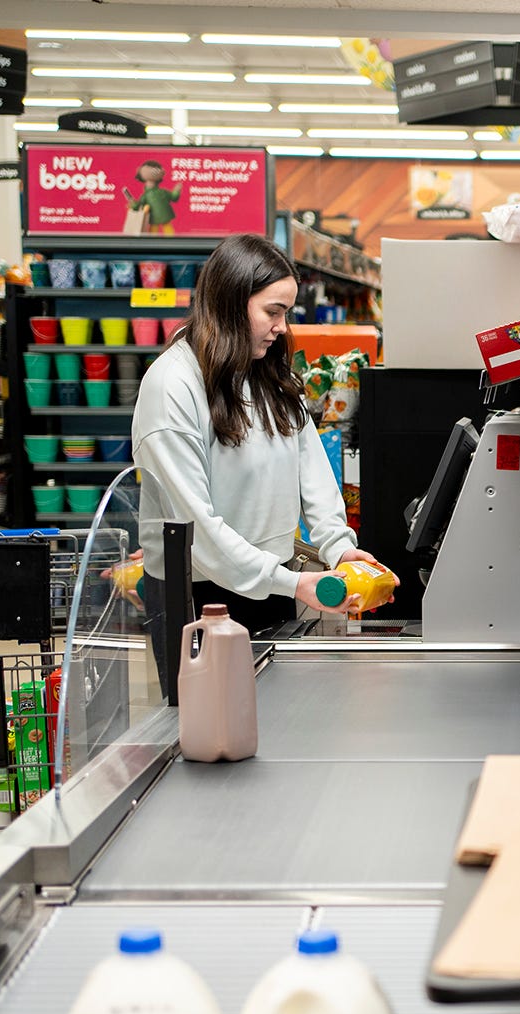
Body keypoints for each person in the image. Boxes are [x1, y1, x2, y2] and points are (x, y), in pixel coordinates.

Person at [132, 233, 387, 689]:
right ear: (230, 303)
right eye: (273, 311)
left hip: (270, 583)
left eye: (285, 313)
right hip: (197, 596)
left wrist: (337, 546)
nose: (282, 327)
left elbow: (310, 468)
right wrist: (292, 584)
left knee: (268, 722)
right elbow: (197, 532)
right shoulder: (172, 387)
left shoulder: (269, 373)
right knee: (209, 733)